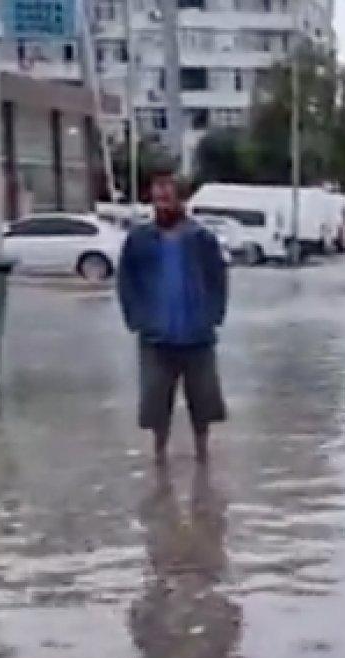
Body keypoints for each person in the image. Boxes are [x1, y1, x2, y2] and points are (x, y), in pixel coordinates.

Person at [117, 170, 228, 464]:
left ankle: (202, 455)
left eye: (169, 193)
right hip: (156, 335)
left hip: (197, 335)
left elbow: (218, 279)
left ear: (182, 198)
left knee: (203, 400)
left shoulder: (201, 238)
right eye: (158, 194)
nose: (163, 200)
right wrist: (135, 318)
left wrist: (213, 316)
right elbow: (126, 281)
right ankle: (159, 457)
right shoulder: (139, 239)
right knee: (156, 401)